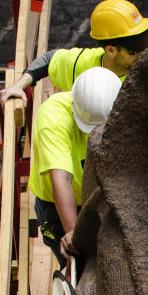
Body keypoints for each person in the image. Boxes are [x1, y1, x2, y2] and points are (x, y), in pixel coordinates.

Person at [28, 66, 121, 260]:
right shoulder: (53, 119)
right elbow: (62, 178)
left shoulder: (121, 106)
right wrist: (73, 232)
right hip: (58, 205)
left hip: (100, 196)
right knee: (74, 259)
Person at [0, 0, 148, 110]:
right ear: (110, 50)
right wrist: (18, 86)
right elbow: (49, 60)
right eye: (134, 51)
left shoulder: (146, 76)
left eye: (144, 46)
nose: (142, 54)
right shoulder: (83, 64)